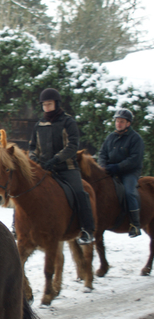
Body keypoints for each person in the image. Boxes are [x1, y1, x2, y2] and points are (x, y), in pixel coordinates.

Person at [28, 88, 95, 245]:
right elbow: (32, 147)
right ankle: (17, 226)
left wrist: (56, 159)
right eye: (44, 105)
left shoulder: (68, 122)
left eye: (49, 104)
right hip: (44, 168)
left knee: (80, 193)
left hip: (67, 168)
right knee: (26, 189)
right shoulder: (39, 124)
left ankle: (87, 229)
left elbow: (72, 146)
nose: (47, 107)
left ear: (56, 104)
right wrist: (36, 161)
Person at [98, 108, 144, 237]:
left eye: (122, 121)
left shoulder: (136, 139)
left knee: (129, 192)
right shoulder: (110, 137)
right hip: (110, 170)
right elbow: (102, 153)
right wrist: (103, 165)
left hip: (129, 172)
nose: (118, 124)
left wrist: (117, 167)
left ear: (128, 124)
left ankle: (135, 224)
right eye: (117, 121)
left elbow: (134, 159)